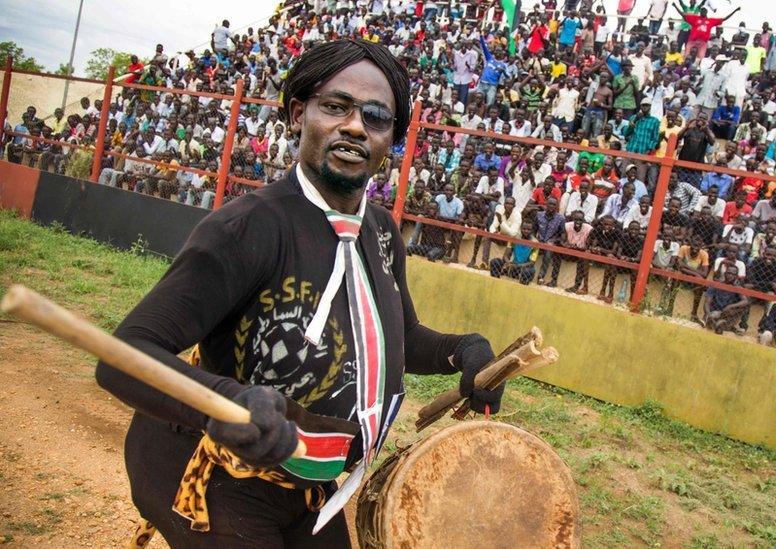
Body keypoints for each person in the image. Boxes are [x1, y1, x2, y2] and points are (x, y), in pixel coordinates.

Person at [94, 40, 504, 547]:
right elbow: (121, 356)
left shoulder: (379, 231)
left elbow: (396, 340)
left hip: (311, 486)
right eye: (335, 106)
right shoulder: (248, 227)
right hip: (220, 476)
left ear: (391, 140)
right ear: (297, 114)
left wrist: (463, 351)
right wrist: (225, 403)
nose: (355, 125)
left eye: (376, 118)